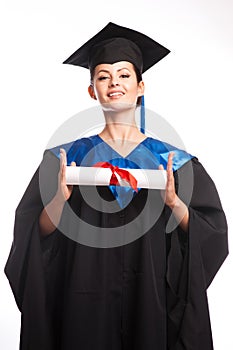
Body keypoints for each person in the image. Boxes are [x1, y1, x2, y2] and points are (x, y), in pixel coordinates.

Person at [5, 22, 228, 350]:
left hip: (150, 303)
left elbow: (211, 237)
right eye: (103, 76)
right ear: (92, 90)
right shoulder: (67, 160)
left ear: (140, 87)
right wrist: (59, 201)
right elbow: (33, 236)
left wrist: (174, 202)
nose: (114, 83)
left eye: (124, 74)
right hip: (81, 301)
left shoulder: (175, 163)